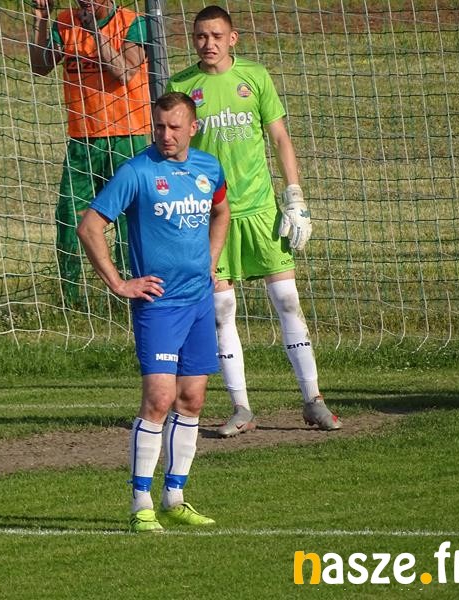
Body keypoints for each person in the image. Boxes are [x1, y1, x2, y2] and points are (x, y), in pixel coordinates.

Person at [166, 6, 342, 435]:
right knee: (222, 309)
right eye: (200, 36)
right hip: (212, 217)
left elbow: (279, 137)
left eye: (216, 36)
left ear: (233, 38)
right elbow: (174, 152)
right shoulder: (181, 85)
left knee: (287, 300)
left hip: (261, 211)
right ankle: (241, 408)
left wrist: (294, 195)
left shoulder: (256, 77)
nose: (208, 43)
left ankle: (313, 400)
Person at [77, 92, 230, 533]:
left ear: (193, 128)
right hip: (158, 306)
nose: (166, 135)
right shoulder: (136, 172)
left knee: (193, 399)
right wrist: (118, 283)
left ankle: (174, 497)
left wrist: (211, 261)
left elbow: (222, 212)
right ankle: (140, 501)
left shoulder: (208, 168)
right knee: (159, 400)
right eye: (159, 126)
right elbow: (90, 227)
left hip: (198, 301)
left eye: (175, 127)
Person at [28, 0, 152, 306]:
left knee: (130, 218)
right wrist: (41, 19)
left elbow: (124, 72)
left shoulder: (132, 22)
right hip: (82, 139)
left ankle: (132, 290)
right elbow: (39, 67)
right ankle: (70, 298)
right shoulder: (65, 22)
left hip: (127, 136)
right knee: (69, 215)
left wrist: (95, 31)